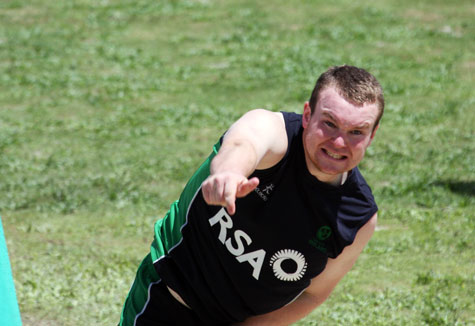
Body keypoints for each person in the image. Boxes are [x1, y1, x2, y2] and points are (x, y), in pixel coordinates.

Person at [119, 65, 384, 326]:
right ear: (307, 116)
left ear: (371, 136)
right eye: (329, 123)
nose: (339, 143)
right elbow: (243, 143)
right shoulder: (273, 133)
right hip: (165, 299)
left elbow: (313, 295)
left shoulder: (357, 217)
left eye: (356, 132)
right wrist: (229, 174)